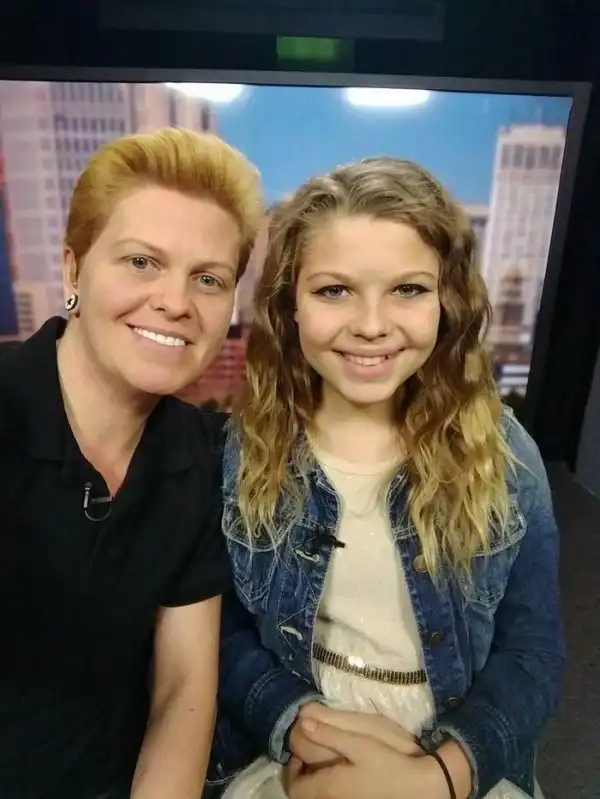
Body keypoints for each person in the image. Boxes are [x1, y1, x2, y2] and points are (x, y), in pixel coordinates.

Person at [207, 157, 563, 799]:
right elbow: (222, 628)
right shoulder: (245, 451)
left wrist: (440, 776)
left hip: (455, 755)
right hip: (297, 745)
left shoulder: (506, 457)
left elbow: (533, 652)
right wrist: (297, 723)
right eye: (334, 291)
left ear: (447, 299)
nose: (371, 325)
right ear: (290, 304)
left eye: (408, 289)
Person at [0, 127, 262, 799]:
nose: (175, 301)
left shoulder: (198, 455)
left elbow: (183, 691)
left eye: (208, 278)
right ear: (73, 270)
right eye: (142, 262)